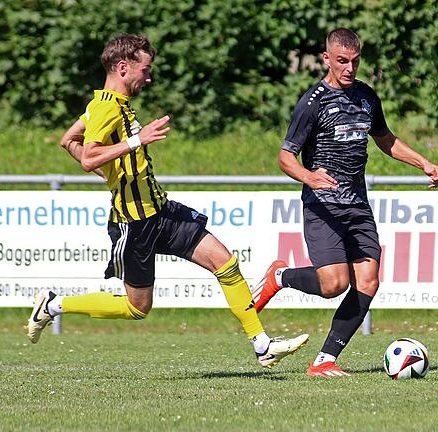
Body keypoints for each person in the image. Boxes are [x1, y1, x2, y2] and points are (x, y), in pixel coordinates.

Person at [26, 33, 308, 368]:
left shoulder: (108, 104)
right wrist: (135, 142)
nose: (149, 77)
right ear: (122, 67)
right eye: (144, 70)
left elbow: (68, 140)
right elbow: (89, 157)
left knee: (225, 263)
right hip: (135, 221)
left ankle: (262, 345)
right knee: (137, 308)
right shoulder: (105, 108)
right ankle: (54, 304)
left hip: (161, 210)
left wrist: (112, 175)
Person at [252, 28, 438, 377]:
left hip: (357, 204)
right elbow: (285, 157)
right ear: (327, 58)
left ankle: (324, 360)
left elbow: (385, 139)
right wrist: (310, 177)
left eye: (355, 61)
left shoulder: (367, 97)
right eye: (342, 61)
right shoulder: (313, 102)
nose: (349, 68)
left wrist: (424, 163)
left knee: (368, 282)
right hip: (323, 206)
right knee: (333, 285)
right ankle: (279, 277)